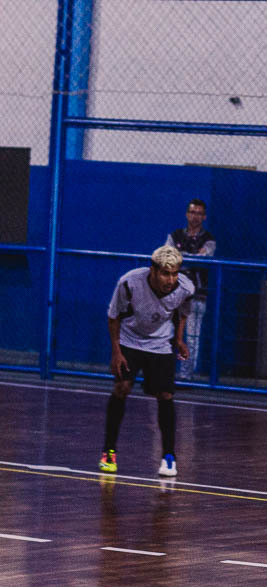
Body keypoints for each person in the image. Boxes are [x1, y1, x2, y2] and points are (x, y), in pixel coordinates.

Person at [99, 245, 195, 477]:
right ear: (153, 270)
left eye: (174, 274)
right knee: (122, 387)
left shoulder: (186, 288)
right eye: (165, 274)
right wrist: (116, 352)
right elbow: (113, 317)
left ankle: (168, 457)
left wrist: (179, 339)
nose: (170, 280)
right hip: (129, 340)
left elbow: (183, 312)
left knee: (166, 395)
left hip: (160, 344)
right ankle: (109, 452)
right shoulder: (129, 283)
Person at [166, 199, 215, 381]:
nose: (195, 217)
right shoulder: (175, 235)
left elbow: (204, 258)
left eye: (199, 214)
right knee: (166, 333)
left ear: (204, 217)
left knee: (192, 336)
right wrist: (188, 257)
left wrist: (182, 257)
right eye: (192, 213)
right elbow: (167, 257)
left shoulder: (209, 240)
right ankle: (163, 371)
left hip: (197, 294)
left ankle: (186, 376)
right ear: (187, 214)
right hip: (173, 293)